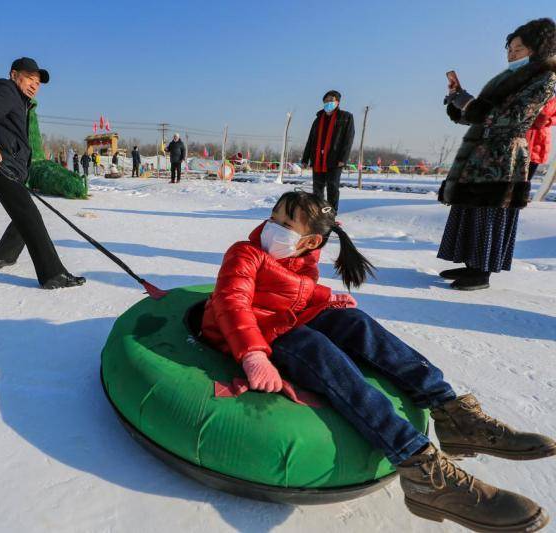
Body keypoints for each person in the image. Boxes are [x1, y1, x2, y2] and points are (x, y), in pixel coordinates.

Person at [202, 190, 554, 532]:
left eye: (284, 222)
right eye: (274, 216)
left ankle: (451, 411)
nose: (270, 225)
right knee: (323, 355)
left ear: (310, 242)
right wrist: (252, 354)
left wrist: (329, 298)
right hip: (254, 333)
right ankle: (418, 465)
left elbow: (294, 291)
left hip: (285, 319)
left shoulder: (301, 259)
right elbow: (232, 301)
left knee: (357, 322)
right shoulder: (245, 253)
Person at [438, 18, 556, 290]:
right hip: (480, 152)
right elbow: (481, 115)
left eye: (519, 49)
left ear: (537, 49)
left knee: (491, 209)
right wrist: (458, 103)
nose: (511, 55)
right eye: (509, 50)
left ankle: (483, 272)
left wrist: (470, 104)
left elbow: (512, 118)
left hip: (505, 156)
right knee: (471, 208)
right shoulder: (506, 78)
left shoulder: (545, 79)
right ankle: (470, 264)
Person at [0, 56, 84, 290]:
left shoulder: (20, 101)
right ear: (14, 75)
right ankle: (52, 273)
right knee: (28, 213)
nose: (35, 85)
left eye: (38, 82)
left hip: (3, 167)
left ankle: (4, 255)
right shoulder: (5, 89)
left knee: (23, 210)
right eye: (30, 78)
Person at [301, 90, 355, 213]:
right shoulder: (318, 119)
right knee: (317, 188)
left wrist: (343, 158)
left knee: (332, 186)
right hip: (318, 159)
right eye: (325, 101)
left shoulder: (346, 117)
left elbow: (348, 139)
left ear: (337, 102)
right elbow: (311, 140)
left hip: (335, 159)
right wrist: (305, 159)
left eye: (331, 100)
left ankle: (331, 212)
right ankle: (319, 211)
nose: (328, 103)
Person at [525, 96, 556, 178]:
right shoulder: (528, 91)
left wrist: (549, 121)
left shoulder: (553, 99)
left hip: (540, 138)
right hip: (524, 134)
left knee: (527, 177)